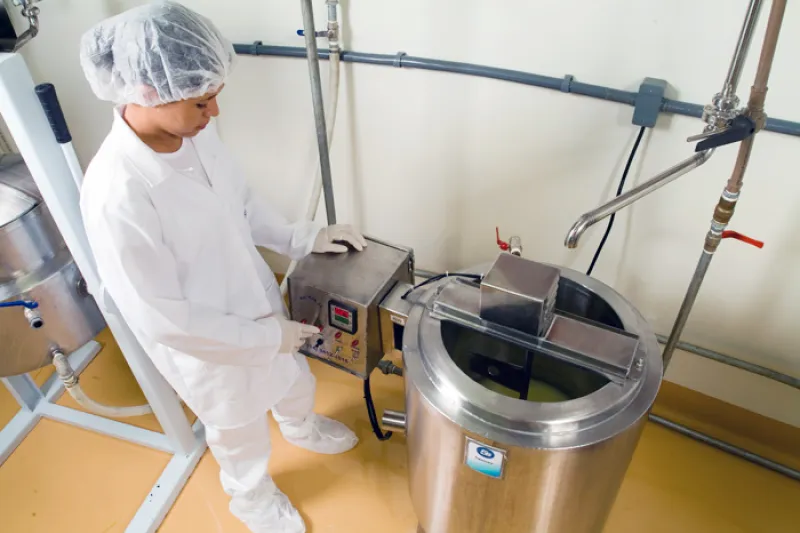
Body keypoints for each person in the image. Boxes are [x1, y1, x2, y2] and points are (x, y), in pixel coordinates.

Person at [78, 3, 365, 532]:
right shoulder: (117, 194)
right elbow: (164, 318)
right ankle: (252, 502)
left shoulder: (193, 133)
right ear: (146, 92)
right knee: (239, 431)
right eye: (201, 101)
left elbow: (243, 203)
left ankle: (300, 426)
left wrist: (306, 238)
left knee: (292, 380)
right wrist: (260, 339)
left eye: (213, 98)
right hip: (206, 346)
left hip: (254, 303)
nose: (214, 114)